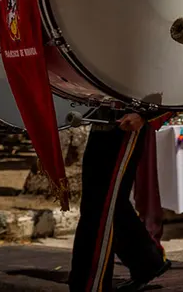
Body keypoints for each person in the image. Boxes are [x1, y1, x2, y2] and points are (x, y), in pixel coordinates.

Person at [68, 109, 172, 292]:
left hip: (128, 121)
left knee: (103, 208)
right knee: (102, 203)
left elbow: (172, 85)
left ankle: (90, 285)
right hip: (100, 119)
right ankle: (148, 261)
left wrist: (145, 115)